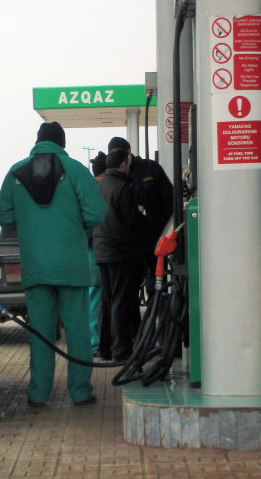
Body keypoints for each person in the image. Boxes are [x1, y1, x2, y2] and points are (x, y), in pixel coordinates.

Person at [0, 121, 107, 407]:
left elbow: (3, 216)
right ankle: (80, 392)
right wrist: (72, 221)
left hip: (35, 268)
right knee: (78, 333)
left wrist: (30, 221)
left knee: (41, 333)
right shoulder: (78, 171)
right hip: (72, 267)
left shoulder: (16, 172)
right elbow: (95, 214)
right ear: (63, 144)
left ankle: (39, 393)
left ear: (38, 141)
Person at [93, 147, 148, 362]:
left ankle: (103, 349)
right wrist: (146, 217)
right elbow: (132, 222)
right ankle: (121, 350)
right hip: (122, 253)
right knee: (121, 301)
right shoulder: (124, 189)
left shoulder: (99, 187)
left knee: (107, 302)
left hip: (102, 252)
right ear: (124, 163)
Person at [107, 137, 173, 294]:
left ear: (129, 153)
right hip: (129, 242)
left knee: (156, 281)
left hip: (154, 237)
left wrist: (165, 229)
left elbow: (170, 200)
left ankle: (157, 309)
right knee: (130, 286)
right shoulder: (114, 179)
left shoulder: (150, 168)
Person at [88, 151, 107, 357]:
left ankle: (95, 342)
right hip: (96, 257)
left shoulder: (89, 189)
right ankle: (94, 344)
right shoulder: (100, 190)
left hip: (89, 256)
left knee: (92, 302)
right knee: (95, 303)